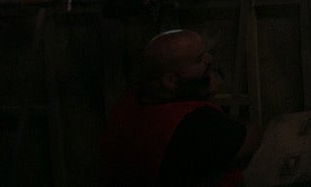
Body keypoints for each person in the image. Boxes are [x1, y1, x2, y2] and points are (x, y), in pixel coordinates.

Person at [100, 28, 257, 187]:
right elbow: (250, 139)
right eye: (198, 60)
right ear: (170, 81)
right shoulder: (191, 122)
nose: (209, 60)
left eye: (205, 53)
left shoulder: (129, 100)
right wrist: (207, 97)